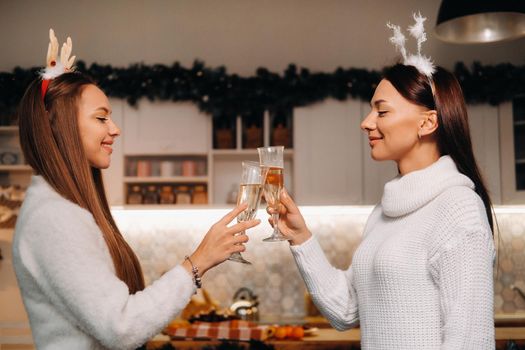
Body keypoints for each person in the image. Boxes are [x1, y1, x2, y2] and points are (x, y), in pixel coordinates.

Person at [12, 30, 259, 350]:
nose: (115, 129)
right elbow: (122, 327)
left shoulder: (61, 208)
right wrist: (198, 261)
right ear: (59, 126)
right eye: (101, 118)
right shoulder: (53, 217)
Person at [269, 14, 495, 349]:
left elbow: (470, 341)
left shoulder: (458, 209)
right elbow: (345, 310)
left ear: (427, 123)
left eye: (382, 111)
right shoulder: (383, 213)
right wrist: (301, 238)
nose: (366, 122)